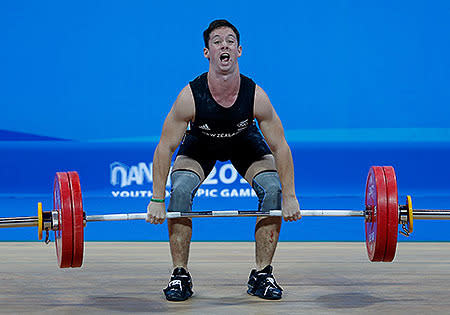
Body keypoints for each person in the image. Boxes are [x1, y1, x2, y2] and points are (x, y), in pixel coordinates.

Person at [146, 19, 301, 301]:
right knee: (179, 189)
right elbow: (165, 148)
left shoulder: (255, 96)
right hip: (200, 145)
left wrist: (289, 196)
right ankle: (179, 274)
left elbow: (280, 147)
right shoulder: (190, 97)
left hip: (244, 143)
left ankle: (262, 274)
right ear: (207, 52)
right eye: (217, 41)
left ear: (239, 50)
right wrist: (157, 200)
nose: (224, 45)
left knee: (273, 188)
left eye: (230, 40)